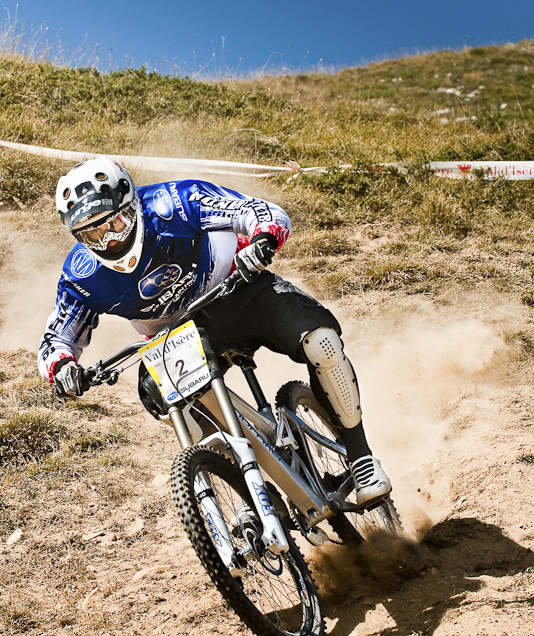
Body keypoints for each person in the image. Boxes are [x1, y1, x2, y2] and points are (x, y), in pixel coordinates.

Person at [38, 157, 391, 508]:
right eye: (92, 233)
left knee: (322, 343)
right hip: (175, 336)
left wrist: (262, 238)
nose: (110, 239)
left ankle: (361, 461)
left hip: (241, 292)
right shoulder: (82, 276)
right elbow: (56, 339)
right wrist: (63, 369)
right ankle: (247, 485)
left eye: (114, 222)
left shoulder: (175, 202)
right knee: (163, 401)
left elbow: (258, 211)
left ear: (133, 205)